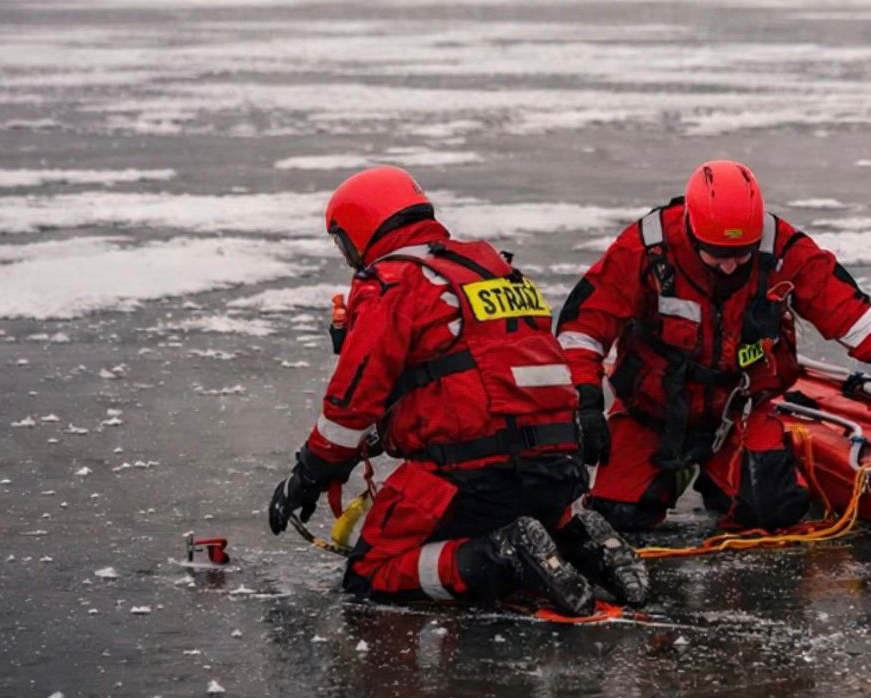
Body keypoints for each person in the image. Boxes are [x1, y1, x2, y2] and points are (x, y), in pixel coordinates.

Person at [265, 166, 648, 614]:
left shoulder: (393, 280)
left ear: (361, 230)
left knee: (371, 573)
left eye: (343, 243)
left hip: (473, 477)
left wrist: (309, 474)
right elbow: (475, 380)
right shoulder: (495, 269)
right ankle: (573, 536)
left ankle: (504, 555)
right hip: (557, 470)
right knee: (519, 515)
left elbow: (352, 403)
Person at [558, 159, 871, 533]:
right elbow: (582, 329)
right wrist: (587, 405)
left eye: (741, 254)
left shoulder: (785, 251)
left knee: (774, 511)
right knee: (618, 516)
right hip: (653, 412)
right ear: (691, 229)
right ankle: (674, 472)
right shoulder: (647, 249)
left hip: (738, 410)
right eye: (717, 254)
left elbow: (850, 315)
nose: (730, 266)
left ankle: (721, 475)